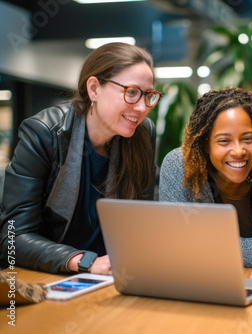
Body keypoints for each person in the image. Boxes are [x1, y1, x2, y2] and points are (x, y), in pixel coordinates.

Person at [0, 42, 162, 275]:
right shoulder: (44, 133)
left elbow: (141, 220)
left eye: (149, 95)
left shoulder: (143, 133)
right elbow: (13, 240)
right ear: (94, 89)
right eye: (132, 92)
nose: (141, 107)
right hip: (48, 276)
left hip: (113, 277)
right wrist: (86, 262)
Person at [159, 87, 252, 267]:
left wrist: (194, 244)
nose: (239, 151)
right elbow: (174, 243)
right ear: (205, 144)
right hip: (198, 277)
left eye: (248, 138)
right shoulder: (179, 166)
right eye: (224, 141)